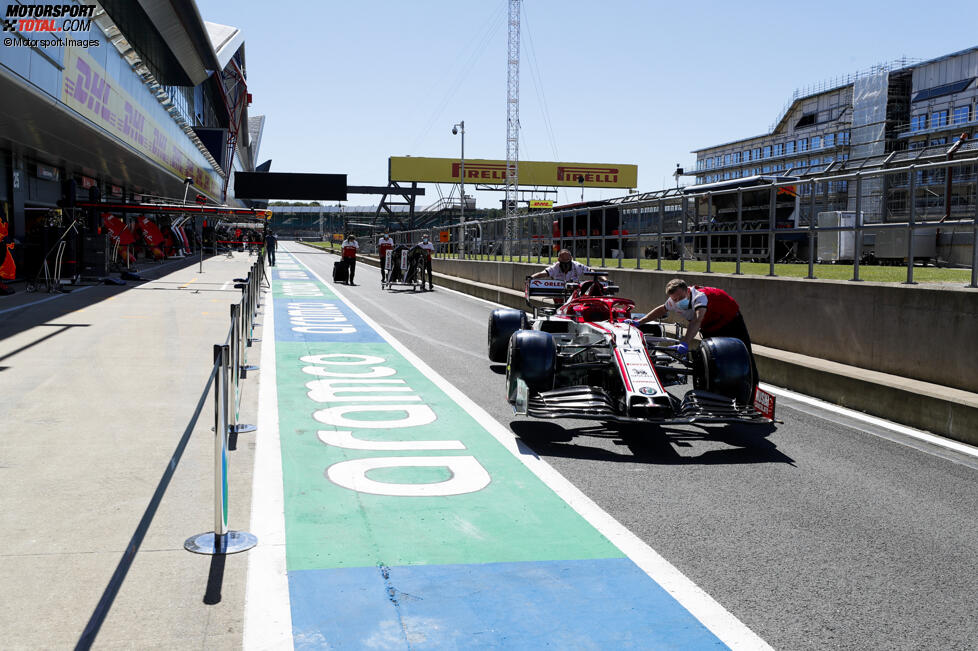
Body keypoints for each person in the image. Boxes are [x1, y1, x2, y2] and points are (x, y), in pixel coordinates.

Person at [630, 278, 758, 386]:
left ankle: (753, 386)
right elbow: (662, 310)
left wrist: (684, 342)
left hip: (730, 321)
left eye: (680, 297)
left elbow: (697, 320)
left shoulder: (699, 297)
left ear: (688, 291)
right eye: (674, 299)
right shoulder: (674, 300)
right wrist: (640, 322)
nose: (678, 301)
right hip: (710, 326)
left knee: (745, 354)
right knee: (712, 359)